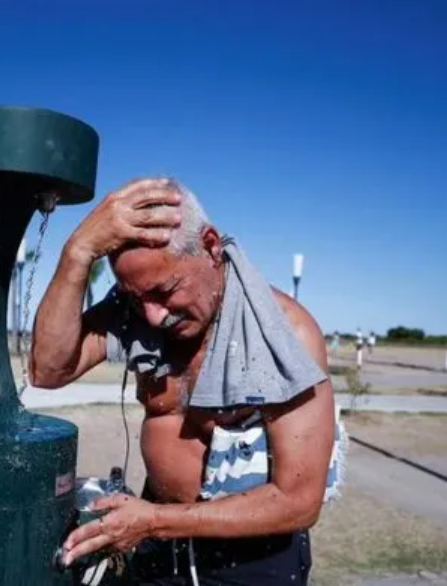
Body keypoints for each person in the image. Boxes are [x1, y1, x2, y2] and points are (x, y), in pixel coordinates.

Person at [31, 177, 340, 585]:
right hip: (160, 548)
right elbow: (47, 369)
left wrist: (155, 522)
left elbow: (299, 502)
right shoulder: (136, 312)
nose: (154, 316)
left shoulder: (287, 334)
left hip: (251, 560)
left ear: (211, 246)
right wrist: (78, 250)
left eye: (165, 290)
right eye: (136, 297)